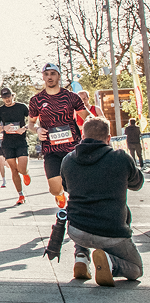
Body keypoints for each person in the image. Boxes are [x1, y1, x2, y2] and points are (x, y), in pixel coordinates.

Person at [62, 116, 144, 285]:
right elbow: (137, 184)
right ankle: (111, 263)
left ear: (83, 136)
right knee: (136, 269)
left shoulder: (68, 159)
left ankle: (81, 256)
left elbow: (66, 188)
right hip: (112, 232)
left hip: (77, 230)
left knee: (81, 209)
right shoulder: (121, 157)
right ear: (109, 138)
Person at [29, 63, 87, 209]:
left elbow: (87, 117)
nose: (50, 77)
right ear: (43, 77)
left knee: (77, 185)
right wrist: (37, 130)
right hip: (51, 150)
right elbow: (30, 124)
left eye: (53, 74)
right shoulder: (36, 100)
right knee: (54, 189)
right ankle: (59, 194)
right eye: (46, 74)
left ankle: (77, 209)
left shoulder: (71, 97)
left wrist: (96, 127)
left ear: (59, 76)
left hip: (73, 148)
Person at [0, 87, 31, 205]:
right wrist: (4, 128)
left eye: (8, 97)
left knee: (22, 168)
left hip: (21, 141)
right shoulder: (1, 111)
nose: (7, 99)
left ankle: (25, 173)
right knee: (14, 170)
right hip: (8, 143)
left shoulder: (22, 107)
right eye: (4, 98)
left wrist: (24, 128)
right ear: (2, 99)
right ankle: (21, 195)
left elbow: (33, 120)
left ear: (12, 96)